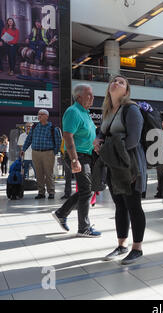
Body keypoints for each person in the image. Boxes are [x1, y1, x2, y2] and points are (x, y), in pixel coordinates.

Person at [93, 75, 146, 264]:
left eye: (121, 82)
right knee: (120, 206)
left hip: (129, 165)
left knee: (133, 205)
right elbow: (103, 133)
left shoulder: (131, 109)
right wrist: (98, 140)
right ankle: (121, 245)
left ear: (126, 90)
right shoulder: (108, 111)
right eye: (113, 81)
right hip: (113, 165)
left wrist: (108, 146)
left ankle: (137, 248)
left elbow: (133, 140)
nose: (116, 83)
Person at [52, 83, 101, 237]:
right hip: (77, 155)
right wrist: (74, 160)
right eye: (89, 95)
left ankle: (61, 213)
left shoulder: (85, 113)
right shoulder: (73, 111)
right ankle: (83, 228)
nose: (92, 98)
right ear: (79, 97)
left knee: (87, 189)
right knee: (86, 190)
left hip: (86, 155)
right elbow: (68, 136)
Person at [21, 109, 61, 199]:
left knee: (49, 173)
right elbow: (29, 139)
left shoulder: (53, 128)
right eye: (38, 114)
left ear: (47, 116)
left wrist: (53, 152)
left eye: (41, 114)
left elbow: (58, 141)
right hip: (35, 153)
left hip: (48, 153)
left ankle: (51, 192)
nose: (39, 116)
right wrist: (23, 149)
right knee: (39, 174)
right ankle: (41, 192)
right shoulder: (34, 127)